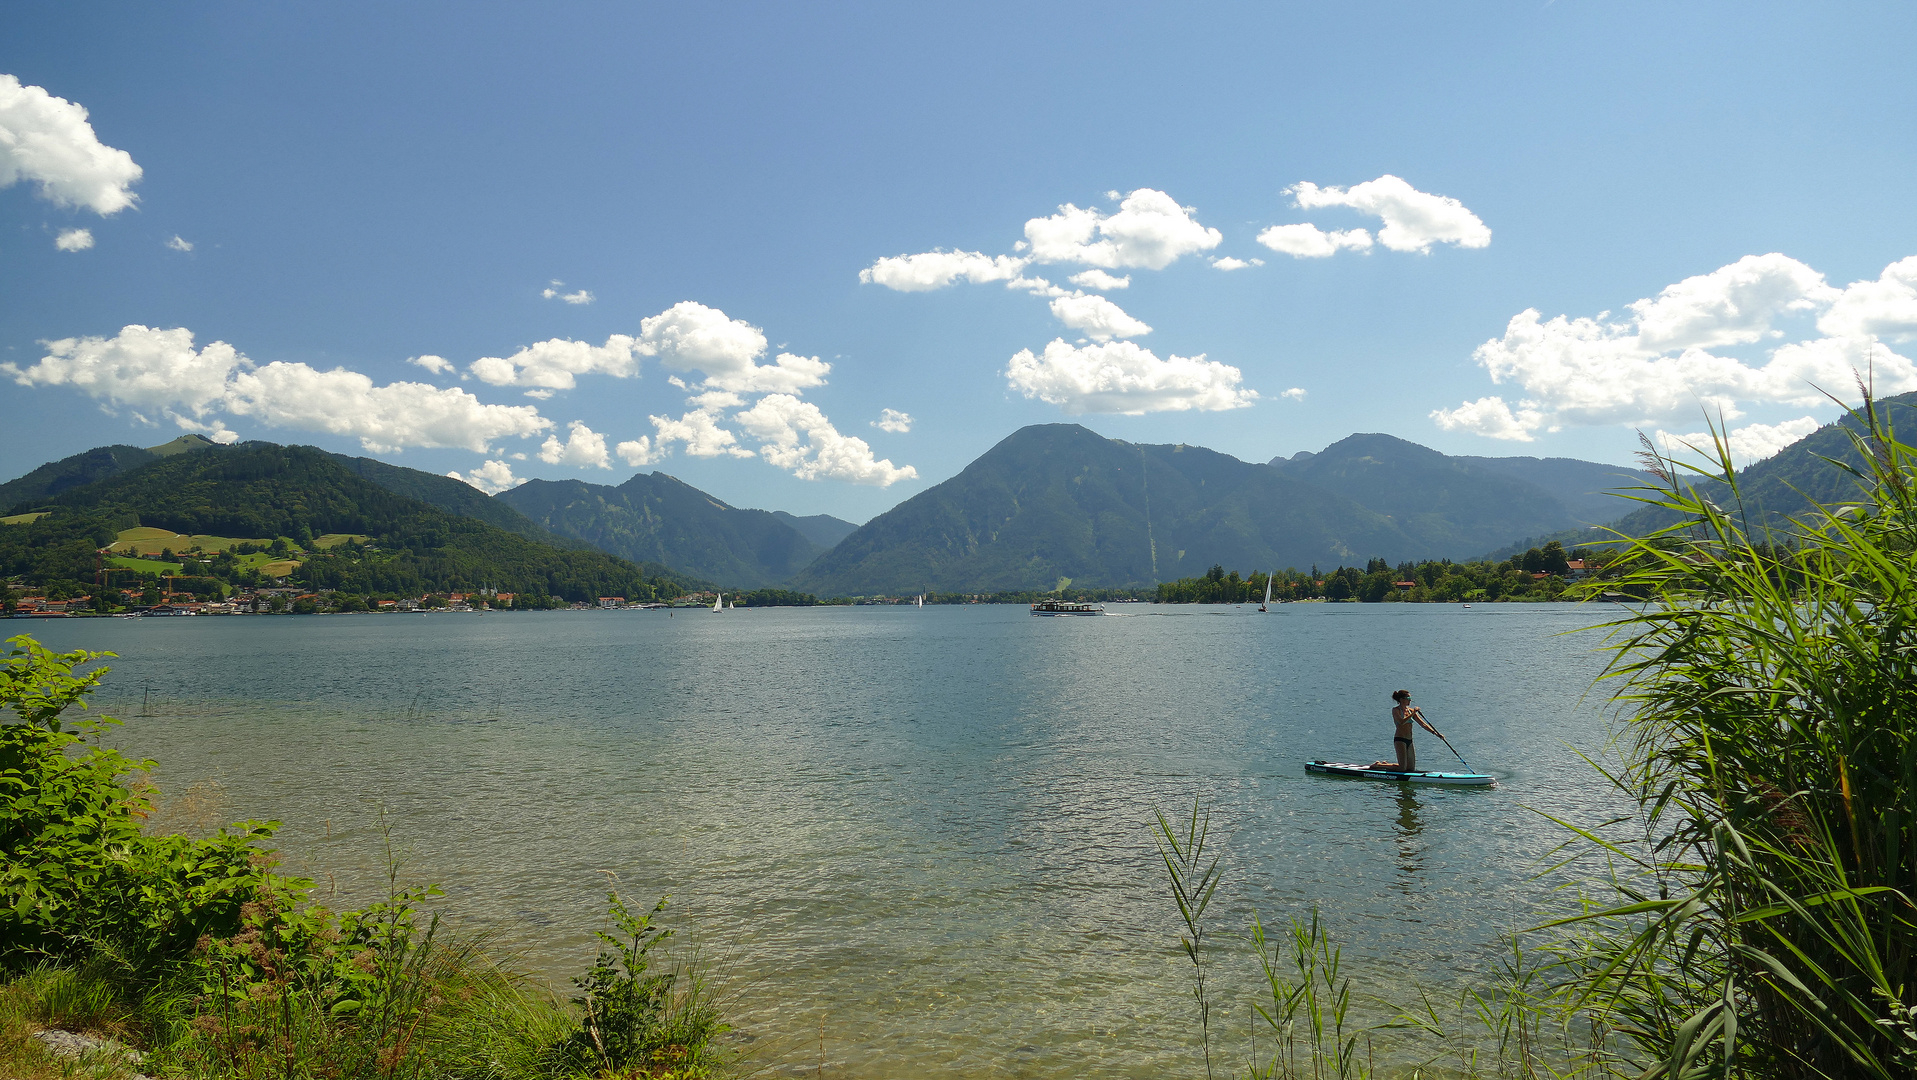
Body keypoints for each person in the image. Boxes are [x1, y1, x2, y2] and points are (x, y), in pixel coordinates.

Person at [1372, 689, 1440, 771]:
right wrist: (1413, 713)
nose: (1410, 700)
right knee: (1402, 768)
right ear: (1401, 700)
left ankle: (1386, 764)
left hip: (1409, 740)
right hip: (1400, 740)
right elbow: (1401, 722)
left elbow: (1423, 724)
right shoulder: (1395, 710)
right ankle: (1378, 765)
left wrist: (1435, 733)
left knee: (1410, 768)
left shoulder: (1410, 711)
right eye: (1408, 698)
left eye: (1410, 698)